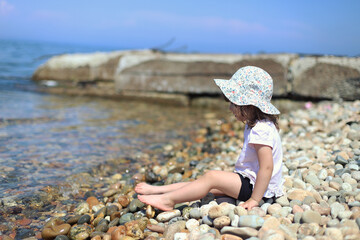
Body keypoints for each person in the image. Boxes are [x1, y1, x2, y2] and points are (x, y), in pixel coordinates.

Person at [136, 66, 284, 211]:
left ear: (249, 106)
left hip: (258, 188)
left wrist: (254, 199)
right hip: (250, 181)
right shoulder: (257, 125)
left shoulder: (261, 129)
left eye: (233, 103)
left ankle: (167, 201)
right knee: (203, 183)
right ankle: (159, 191)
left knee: (211, 177)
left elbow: (267, 167)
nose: (230, 108)